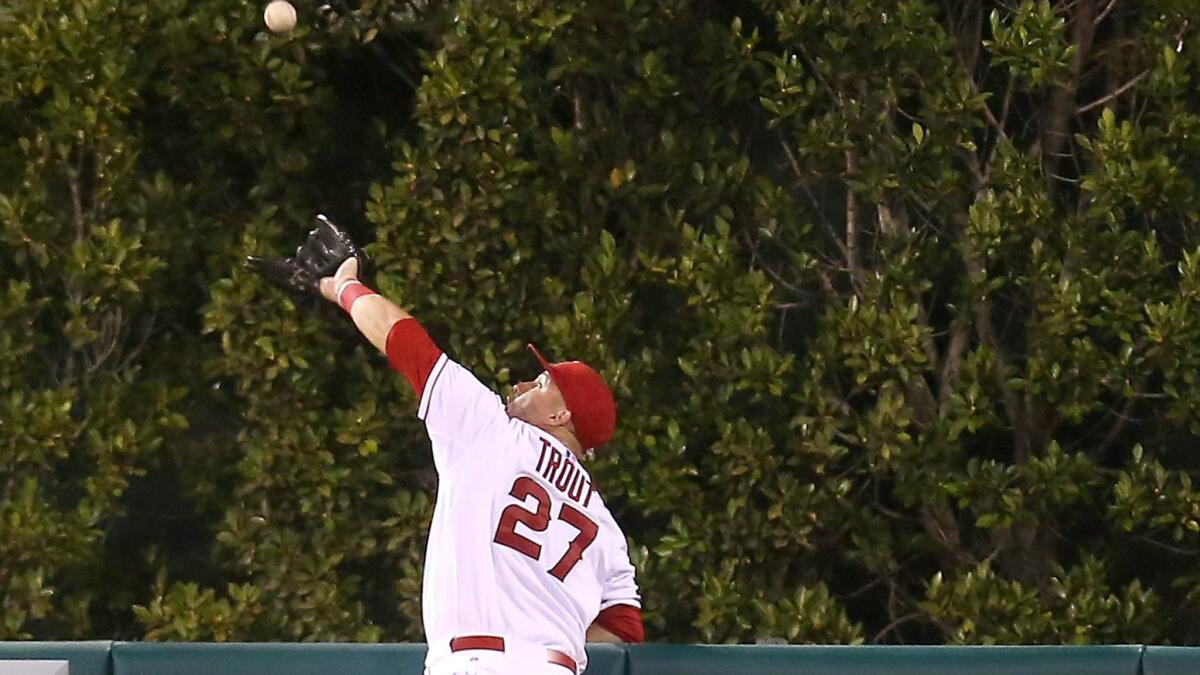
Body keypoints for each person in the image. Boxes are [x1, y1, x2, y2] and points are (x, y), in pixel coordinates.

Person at [253, 219, 644, 674]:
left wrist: (344, 286)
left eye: (540, 383)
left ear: (561, 416)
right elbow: (623, 627)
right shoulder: (605, 528)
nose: (520, 384)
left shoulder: (494, 431)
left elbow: (409, 345)